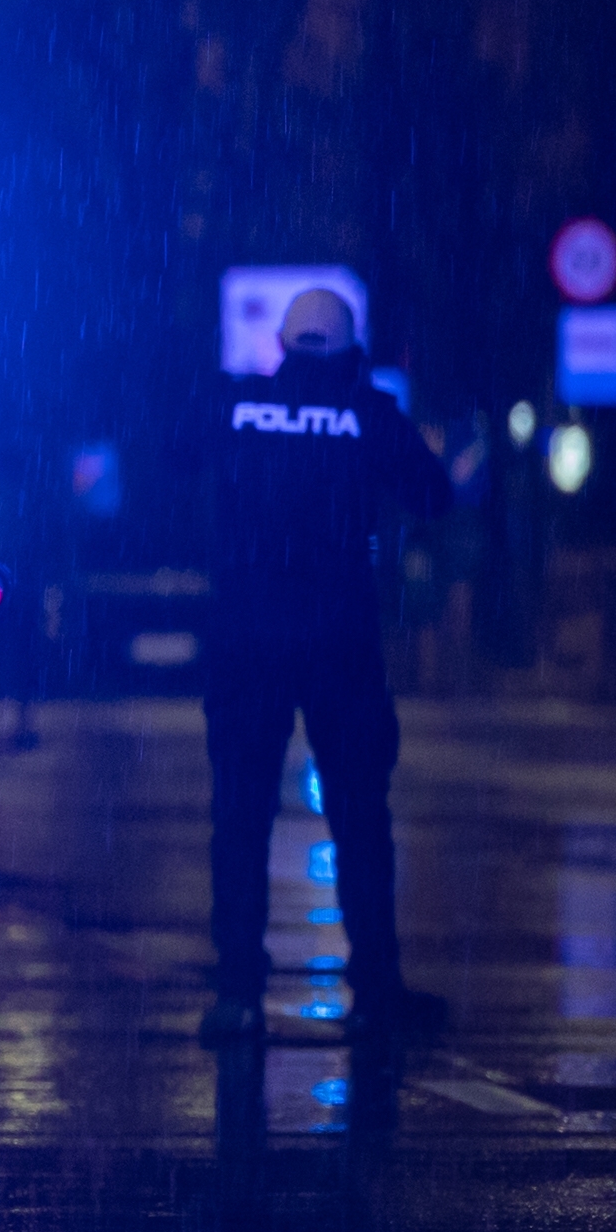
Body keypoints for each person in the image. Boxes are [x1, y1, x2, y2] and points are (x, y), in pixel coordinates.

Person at [205, 284, 452, 1046]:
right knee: (357, 818)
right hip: (340, 646)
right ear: (349, 349)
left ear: (281, 345)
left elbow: (177, 456)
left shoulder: (237, 407)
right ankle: (376, 988)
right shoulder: (367, 415)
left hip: (247, 643)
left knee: (241, 818)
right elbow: (434, 496)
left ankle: (239, 994)